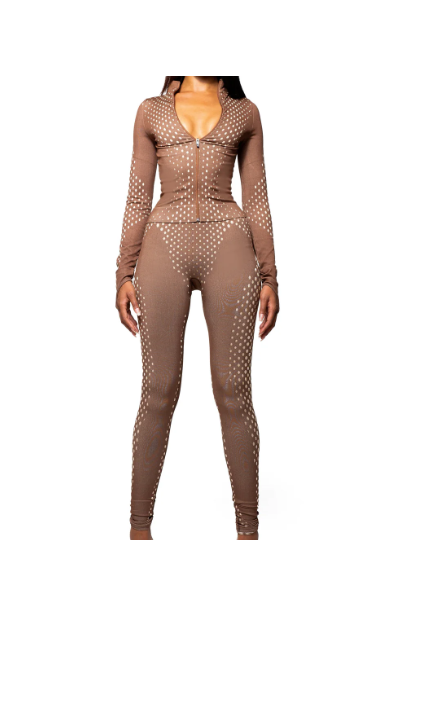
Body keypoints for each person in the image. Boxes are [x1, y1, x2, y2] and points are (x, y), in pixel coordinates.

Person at [116, 76, 279, 540]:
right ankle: (139, 532)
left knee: (234, 390)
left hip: (231, 245)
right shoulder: (151, 110)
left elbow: (257, 199)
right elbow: (137, 197)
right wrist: (123, 272)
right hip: (161, 247)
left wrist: (270, 276)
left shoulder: (246, 112)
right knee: (158, 390)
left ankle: (248, 533)